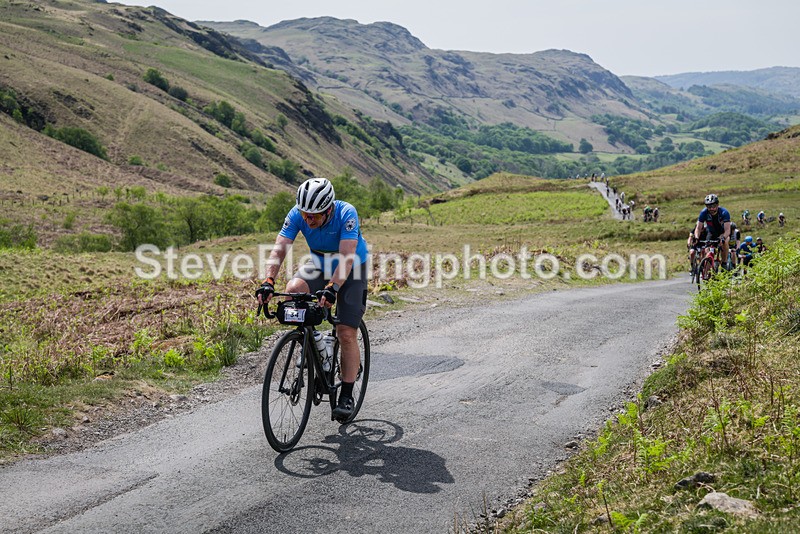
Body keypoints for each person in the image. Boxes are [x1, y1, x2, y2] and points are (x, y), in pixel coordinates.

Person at [256, 177, 369, 422]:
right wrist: (268, 281)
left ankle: (346, 394)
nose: (308, 220)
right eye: (305, 215)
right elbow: (279, 248)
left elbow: (347, 257)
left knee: (345, 332)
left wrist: (332, 289)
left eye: (314, 216)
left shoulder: (346, 213)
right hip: (319, 265)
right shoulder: (297, 213)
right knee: (293, 290)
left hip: (352, 269)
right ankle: (316, 342)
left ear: (328, 209)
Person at [693, 193, 732, 269]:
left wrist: (723, 238)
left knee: (725, 242)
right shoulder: (704, 212)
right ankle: (708, 272)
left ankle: (724, 263)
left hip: (722, 233)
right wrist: (696, 237)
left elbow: (728, 230)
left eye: (713, 206)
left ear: (717, 205)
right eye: (709, 206)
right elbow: (698, 228)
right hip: (711, 233)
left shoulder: (724, 212)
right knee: (707, 251)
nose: (711, 209)